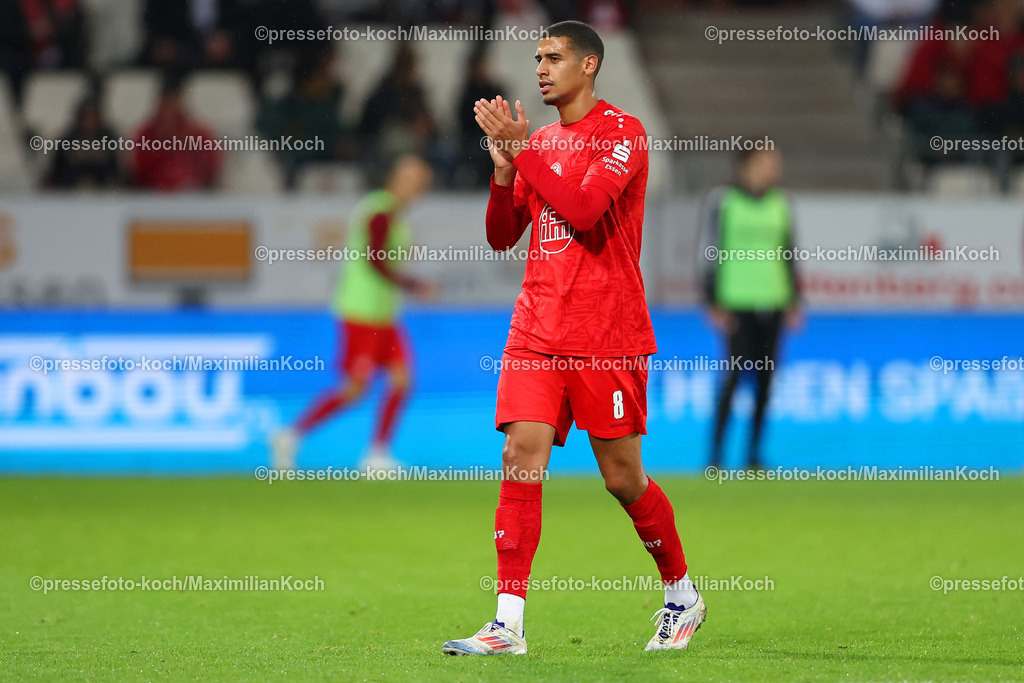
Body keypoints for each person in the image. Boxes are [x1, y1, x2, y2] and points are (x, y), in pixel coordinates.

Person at [442, 21, 706, 656]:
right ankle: (508, 622)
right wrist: (505, 174)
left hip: (606, 334)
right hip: (536, 329)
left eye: (554, 57)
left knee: (621, 478)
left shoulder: (622, 134)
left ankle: (681, 594)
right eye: (536, 57)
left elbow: (586, 211)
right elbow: (504, 235)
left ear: (589, 65)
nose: (540, 68)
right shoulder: (540, 145)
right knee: (520, 455)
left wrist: (524, 150)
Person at [271, 155, 435, 472]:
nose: (416, 188)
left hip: (383, 314)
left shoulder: (391, 214)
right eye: (412, 180)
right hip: (362, 312)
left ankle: (376, 455)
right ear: (395, 179)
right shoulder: (381, 212)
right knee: (355, 388)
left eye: (421, 183)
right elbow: (375, 260)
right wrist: (413, 285)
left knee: (402, 380)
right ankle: (291, 435)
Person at [699, 143, 802, 471]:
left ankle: (754, 455)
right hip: (736, 302)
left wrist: (794, 300)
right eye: (769, 161)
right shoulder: (723, 200)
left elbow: (788, 252)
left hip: (772, 301)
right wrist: (711, 299)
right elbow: (708, 249)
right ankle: (716, 456)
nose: (776, 168)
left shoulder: (781, 203)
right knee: (731, 378)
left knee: (766, 381)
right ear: (748, 164)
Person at [129, 77, 222, 192]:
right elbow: (138, 172)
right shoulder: (146, 134)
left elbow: (211, 169)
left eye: (174, 103)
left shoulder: (198, 133)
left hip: (193, 196)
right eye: (167, 104)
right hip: (154, 196)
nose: (170, 109)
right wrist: (163, 144)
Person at [47, 96, 122, 189]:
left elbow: (115, 171)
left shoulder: (109, 139)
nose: (89, 121)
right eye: (86, 117)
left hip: (102, 190)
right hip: (69, 192)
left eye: (93, 117)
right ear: (79, 118)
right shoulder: (67, 140)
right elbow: (57, 172)